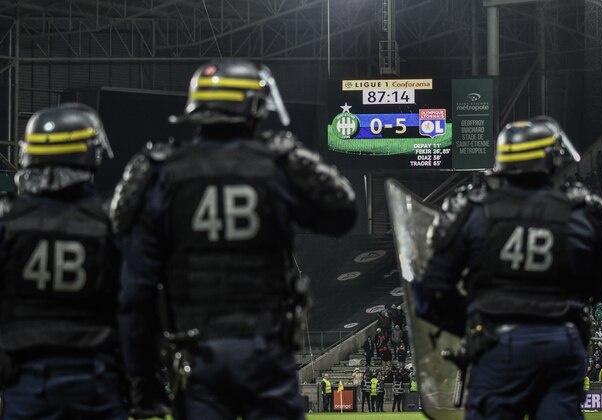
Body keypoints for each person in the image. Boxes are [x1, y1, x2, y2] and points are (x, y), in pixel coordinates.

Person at [110, 59, 357, 419]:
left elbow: (135, 295)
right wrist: (293, 154)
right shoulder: (276, 166)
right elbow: (342, 213)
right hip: (266, 350)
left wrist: (143, 381)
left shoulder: (163, 174)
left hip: (196, 353)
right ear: (252, 107)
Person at [413, 116, 602, 419]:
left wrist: (472, 325)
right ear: (548, 160)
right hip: (560, 344)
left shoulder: (473, 213)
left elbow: (432, 289)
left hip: (497, 345)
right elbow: (597, 289)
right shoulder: (580, 214)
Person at [0, 104, 128, 419]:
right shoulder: (110, 221)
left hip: (25, 379)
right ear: (90, 154)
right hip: (96, 377)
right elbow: (134, 303)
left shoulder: (7, 220)